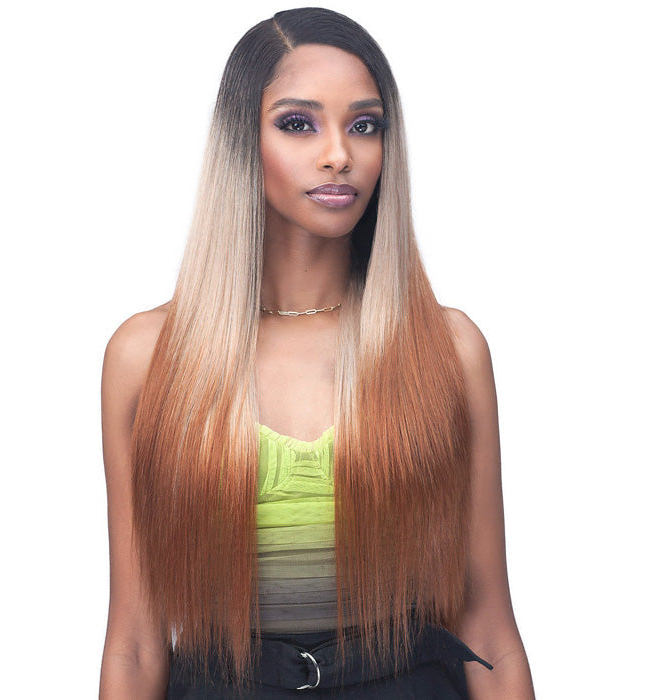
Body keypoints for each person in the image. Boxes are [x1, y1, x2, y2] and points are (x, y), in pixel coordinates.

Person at [98, 7, 536, 699]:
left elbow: (489, 628)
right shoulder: (147, 358)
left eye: (365, 125)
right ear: (242, 141)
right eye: (299, 123)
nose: (339, 154)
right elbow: (134, 642)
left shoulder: (449, 350)